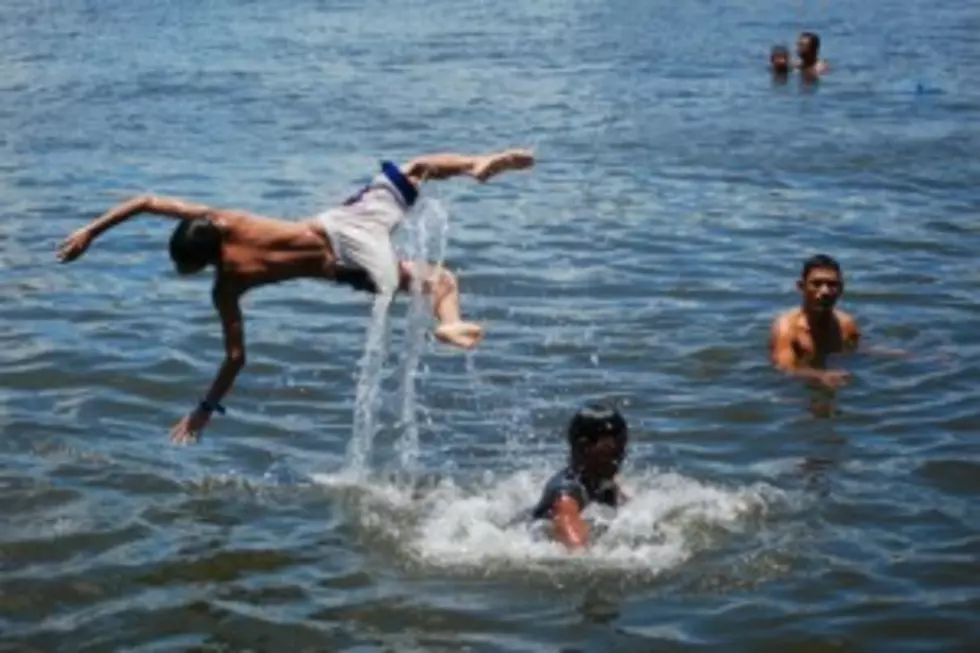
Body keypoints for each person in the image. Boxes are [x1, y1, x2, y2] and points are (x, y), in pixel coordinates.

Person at [57, 148, 535, 443]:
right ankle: (476, 166)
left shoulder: (228, 286)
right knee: (418, 168)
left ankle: (446, 324)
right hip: (344, 225)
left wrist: (204, 410)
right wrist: (90, 232)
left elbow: (236, 358)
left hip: (345, 268)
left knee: (440, 279)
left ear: (202, 262)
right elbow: (147, 201)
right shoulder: (225, 219)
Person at [531, 403, 629, 550]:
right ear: (585, 448)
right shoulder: (566, 497)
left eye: (622, 449)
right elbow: (577, 550)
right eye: (614, 451)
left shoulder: (600, 479)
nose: (621, 458)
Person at [770, 254, 860, 390]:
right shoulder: (787, 328)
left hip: (833, 375)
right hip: (796, 391)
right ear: (801, 287)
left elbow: (858, 350)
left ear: (841, 289)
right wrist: (821, 376)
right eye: (816, 284)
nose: (825, 291)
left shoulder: (846, 324)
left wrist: (894, 355)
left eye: (832, 284)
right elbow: (784, 369)